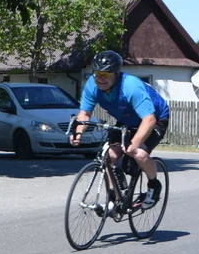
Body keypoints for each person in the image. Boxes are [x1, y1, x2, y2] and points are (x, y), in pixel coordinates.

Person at [71, 50, 170, 209]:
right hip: (127, 119)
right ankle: (115, 197)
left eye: (106, 74)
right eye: (97, 74)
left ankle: (154, 185)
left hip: (155, 118)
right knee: (110, 155)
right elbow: (85, 113)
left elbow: (149, 119)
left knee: (138, 153)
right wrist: (78, 133)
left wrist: (135, 143)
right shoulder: (92, 85)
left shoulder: (130, 86)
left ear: (116, 74)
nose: (100, 79)